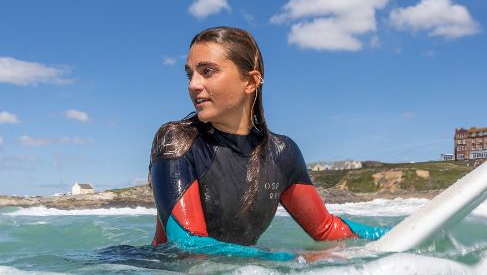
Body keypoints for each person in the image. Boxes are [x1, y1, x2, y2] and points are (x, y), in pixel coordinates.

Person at [148, 26, 388, 261]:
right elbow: (188, 244)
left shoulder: (282, 153)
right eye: (190, 74)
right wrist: (289, 259)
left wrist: (391, 234)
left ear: (251, 82)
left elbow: (325, 228)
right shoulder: (178, 142)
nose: (193, 85)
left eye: (207, 71)